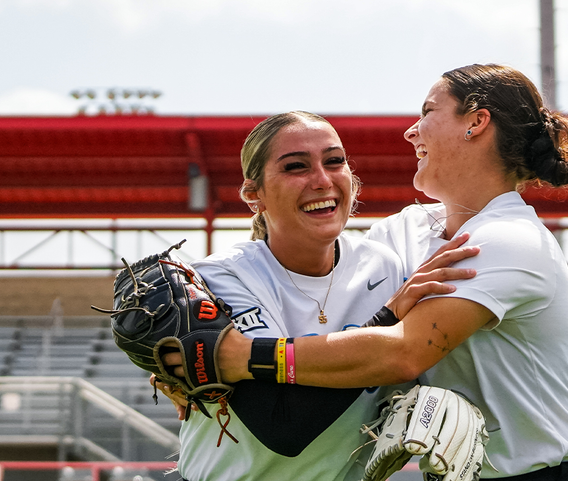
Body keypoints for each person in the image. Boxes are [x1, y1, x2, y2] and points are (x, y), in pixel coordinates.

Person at [194, 63, 568, 480]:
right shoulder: (403, 231)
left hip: (543, 473)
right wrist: (177, 365)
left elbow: (403, 352)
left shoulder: (510, 239)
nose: (411, 131)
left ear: (476, 123)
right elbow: (332, 275)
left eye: (427, 112)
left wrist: (241, 358)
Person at [164, 111, 478, 481]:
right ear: (254, 195)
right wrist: (387, 320)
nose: (322, 180)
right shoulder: (221, 276)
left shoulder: (386, 268)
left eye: (334, 161)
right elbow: (283, 424)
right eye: (296, 167)